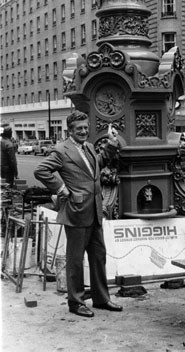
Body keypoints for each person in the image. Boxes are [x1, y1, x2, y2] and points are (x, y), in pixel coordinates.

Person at [34, 110, 123, 318]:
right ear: (70, 130)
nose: (83, 131)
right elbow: (41, 171)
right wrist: (61, 189)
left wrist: (111, 143)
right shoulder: (61, 150)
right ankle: (76, 302)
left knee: (98, 256)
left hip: (94, 211)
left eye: (85, 128)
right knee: (75, 260)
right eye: (79, 129)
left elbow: (98, 164)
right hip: (76, 211)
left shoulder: (90, 147)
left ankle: (102, 298)